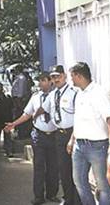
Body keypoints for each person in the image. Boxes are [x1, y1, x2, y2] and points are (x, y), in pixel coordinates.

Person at [5, 72, 59, 205]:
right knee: (39, 167)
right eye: (39, 81)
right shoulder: (35, 97)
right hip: (39, 136)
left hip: (54, 135)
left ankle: (52, 194)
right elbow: (27, 114)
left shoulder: (56, 96)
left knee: (53, 167)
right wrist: (13, 124)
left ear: (50, 81)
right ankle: (39, 196)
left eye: (43, 80)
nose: (40, 83)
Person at [67, 62, 110, 205]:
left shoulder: (98, 92)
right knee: (79, 181)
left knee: (102, 184)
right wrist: (72, 140)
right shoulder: (79, 94)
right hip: (79, 146)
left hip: (97, 146)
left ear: (79, 75)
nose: (71, 80)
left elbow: (109, 118)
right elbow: (78, 121)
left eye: (72, 76)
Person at [34, 65, 81, 205]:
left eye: (58, 76)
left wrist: (73, 138)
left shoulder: (74, 93)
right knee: (64, 170)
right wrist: (34, 117)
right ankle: (68, 199)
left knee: (76, 170)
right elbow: (43, 108)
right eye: (53, 77)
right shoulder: (53, 95)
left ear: (64, 76)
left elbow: (80, 115)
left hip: (73, 134)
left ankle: (77, 200)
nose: (56, 79)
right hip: (59, 136)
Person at [11, 65, 33, 139]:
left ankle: (22, 134)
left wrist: (18, 101)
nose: (14, 71)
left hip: (19, 100)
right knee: (17, 116)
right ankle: (20, 133)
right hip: (16, 100)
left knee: (20, 116)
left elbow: (20, 91)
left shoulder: (21, 78)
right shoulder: (17, 77)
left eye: (15, 69)